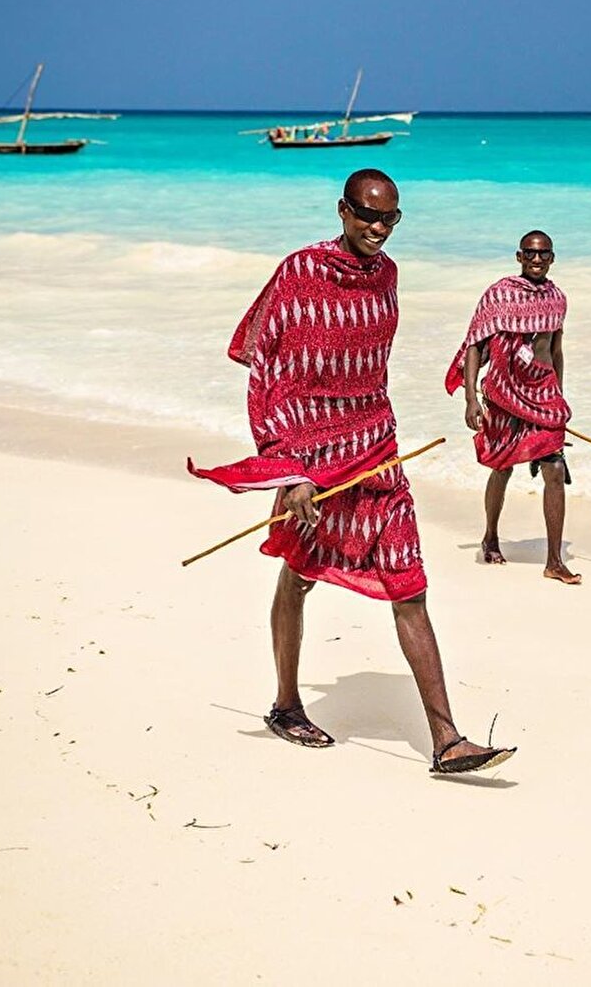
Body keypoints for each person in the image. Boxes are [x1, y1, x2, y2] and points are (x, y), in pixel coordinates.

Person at [188, 169, 515, 775]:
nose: (378, 228)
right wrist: (288, 467)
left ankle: (447, 740)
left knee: (409, 585)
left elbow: (371, 366)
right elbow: (267, 374)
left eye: (390, 218)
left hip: (375, 447)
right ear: (342, 210)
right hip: (309, 457)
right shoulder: (300, 272)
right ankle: (286, 705)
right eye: (367, 215)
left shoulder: (387, 274)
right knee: (299, 573)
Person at [445, 231, 580, 584]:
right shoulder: (499, 295)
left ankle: (554, 560)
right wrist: (471, 397)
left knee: (554, 470)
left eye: (544, 255)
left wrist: (559, 398)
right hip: (504, 393)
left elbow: (556, 350)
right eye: (531, 255)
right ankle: (490, 535)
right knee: (502, 467)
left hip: (543, 394)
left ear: (553, 258)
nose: (537, 261)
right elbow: (475, 344)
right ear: (519, 256)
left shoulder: (557, 299)